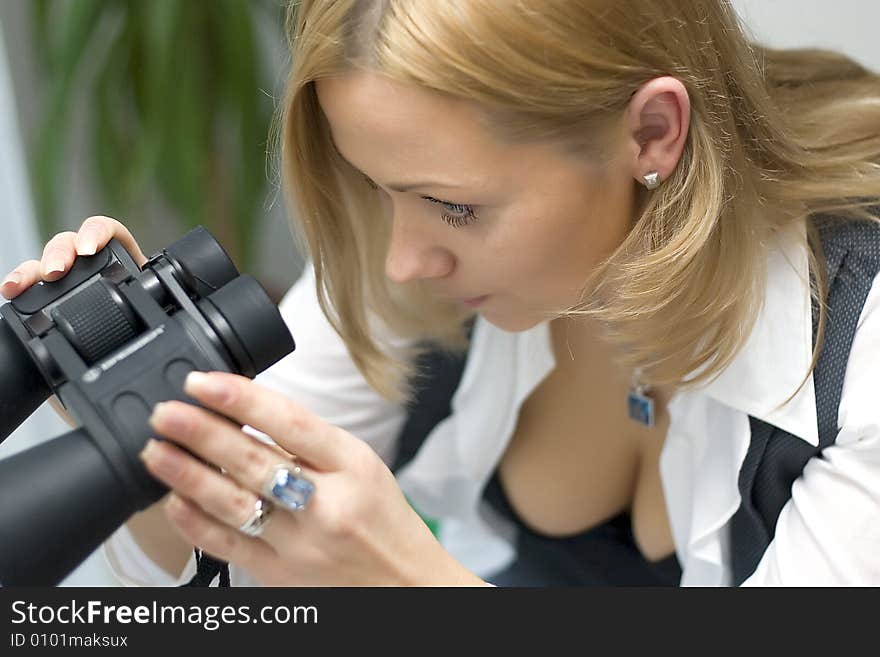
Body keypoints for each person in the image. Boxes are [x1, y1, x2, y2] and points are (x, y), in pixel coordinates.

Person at [3, 0, 879, 587]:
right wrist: (143, 434)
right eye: (379, 189)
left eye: (454, 207)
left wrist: (412, 583)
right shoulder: (425, 271)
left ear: (651, 132)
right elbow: (189, 565)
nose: (401, 262)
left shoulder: (861, 349)